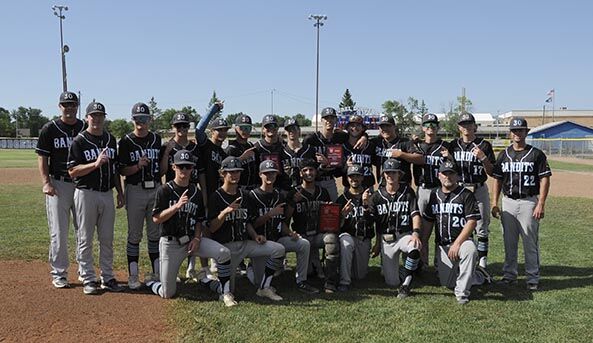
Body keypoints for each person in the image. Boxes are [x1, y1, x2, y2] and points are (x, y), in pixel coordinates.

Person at [146, 150, 236, 306]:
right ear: (173, 167)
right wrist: (176, 207)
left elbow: (199, 220)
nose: (185, 170)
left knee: (224, 253)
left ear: (192, 168)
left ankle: (223, 290)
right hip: (171, 243)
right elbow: (156, 218)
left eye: (188, 167)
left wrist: (196, 238)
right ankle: (150, 282)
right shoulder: (164, 190)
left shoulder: (196, 192)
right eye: (181, 166)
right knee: (168, 293)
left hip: (191, 241)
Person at [208, 156, 286, 302]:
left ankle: (264, 287)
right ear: (222, 173)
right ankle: (206, 281)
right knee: (227, 288)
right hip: (227, 248)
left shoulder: (245, 195)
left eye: (238, 171)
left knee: (279, 249)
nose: (235, 175)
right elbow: (212, 228)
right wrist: (224, 213)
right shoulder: (216, 196)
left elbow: (248, 222)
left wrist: (255, 236)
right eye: (231, 172)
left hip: (245, 244)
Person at [67, 101, 125, 295]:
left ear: (104, 118)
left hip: (107, 194)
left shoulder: (111, 140)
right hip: (86, 193)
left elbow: (115, 169)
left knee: (107, 239)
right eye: (93, 115)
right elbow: (73, 171)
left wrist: (120, 192)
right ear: (87, 118)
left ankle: (107, 277)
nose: (97, 119)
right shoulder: (79, 141)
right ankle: (88, 277)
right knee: (85, 238)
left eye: (100, 115)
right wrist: (95, 164)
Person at [492, 117, 551, 291]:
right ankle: (509, 275)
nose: (518, 133)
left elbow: (545, 179)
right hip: (508, 201)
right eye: (515, 130)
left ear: (526, 132)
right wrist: (495, 202)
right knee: (509, 242)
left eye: (521, 130)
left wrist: (541, 203)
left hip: (528, 201)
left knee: (529, 242)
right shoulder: (504, 154)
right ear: (511, 133)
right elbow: (497, 180)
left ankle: (532, 278)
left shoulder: (536, 154)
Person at [246, 160, 320, 294]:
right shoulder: (252, 196)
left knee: (303, 243)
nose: (270, 177)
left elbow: (281, 222)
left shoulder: (279, 196)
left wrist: (290, 233)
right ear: (260, 175)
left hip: (277, 240)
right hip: (259, 242)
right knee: (258, 282)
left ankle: (301, 281)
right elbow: (251, 224)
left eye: (273, 174)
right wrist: (269, 214)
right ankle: (251, 267)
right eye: (266, 174)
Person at [36, 91, 85, 288]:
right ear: (60, 107)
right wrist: (46, 182)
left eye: (73, 104)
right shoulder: (50, 129)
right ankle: (59, 273)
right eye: (66, 104)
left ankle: (84, 270)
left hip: (82, 184)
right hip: (59, 184)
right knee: (59, 231)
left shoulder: (85, 127)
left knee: (83, 231)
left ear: (77, 106)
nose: (70, 108)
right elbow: (42, 158)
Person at [423, 160, 488, 304]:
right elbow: (428, 222)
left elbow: (472, 222)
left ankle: (462, 294)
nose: (448, 177)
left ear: (457, 176)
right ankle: (476, 275)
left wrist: (457, 243)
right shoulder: (434, 195)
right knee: (447, 284)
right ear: (439, 175)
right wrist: (423, 243)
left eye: (451, 174)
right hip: (443, 246)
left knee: (470, 250)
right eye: (445, 174)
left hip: (463, 242)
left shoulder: (466, 194)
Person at [118, 102, 168, 289]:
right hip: (135, 189)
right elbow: (122, 170)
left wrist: (166, 154)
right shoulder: (126, 141)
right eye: (138, 119)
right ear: (133, 120)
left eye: (144, 119)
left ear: (149, 120)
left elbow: (162, 169)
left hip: (155, 188)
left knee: (155, 233)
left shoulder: (156, 139)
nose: (141, 122)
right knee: (135, 234)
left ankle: (156, 273)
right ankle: (133, 275)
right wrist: (137, 166)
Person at [161, 112, 209, 282]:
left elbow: (201, 173)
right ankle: (169, 267)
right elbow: (161, 171)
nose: (181, 129)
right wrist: (166, 153)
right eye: (178, 125)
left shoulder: (195, 147)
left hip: (192, 189)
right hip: (173, 191)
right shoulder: (168, 146)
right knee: (174, 228)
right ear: (173, 127)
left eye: (184, 125)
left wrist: (203, 194)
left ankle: (191, 267)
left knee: (193, 227)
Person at [446, 112, 495, 274]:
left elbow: (492, 172)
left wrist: (483, 158)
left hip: (478, 188)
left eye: (469, 124)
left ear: (475, 126)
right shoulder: (452, 145)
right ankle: (467, 260)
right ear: (459, 128)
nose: (466, 127)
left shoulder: (484, 145)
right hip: (459, 191)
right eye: (463, 124)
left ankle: (482, 263)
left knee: (481, 227)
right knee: (463, 226)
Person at [367, 159, 422, 298]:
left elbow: (415, 214)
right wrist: (378, 244)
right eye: (387, 172)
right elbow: (375, 224)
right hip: (387, 240)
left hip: (404, 235)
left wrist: (415, 233)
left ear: (399, 174)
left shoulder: (408, 191)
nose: (390, 175)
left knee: (414, 246)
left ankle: (406, 284)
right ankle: (407, 270)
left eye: (394, 172)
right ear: (383, 175)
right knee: (391, 282)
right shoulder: (376, 197)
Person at [285, 159, 339, 293]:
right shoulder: (294, 192)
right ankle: (313, 267)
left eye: (312, 170)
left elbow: (330, 217)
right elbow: (285, 219)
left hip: (319, 234)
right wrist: (292, 202)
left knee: (332, 239)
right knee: (309, 272)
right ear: (301, 173)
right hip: (302, 237)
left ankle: (330, 282)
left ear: (316, 172)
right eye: (305, 170)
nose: (309, 173)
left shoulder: (323, 191)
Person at [303, 107, 367, 201]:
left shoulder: (340, 137)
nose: (329, 121)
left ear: (336, 120)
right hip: (313, 181)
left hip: (330, 180)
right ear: (321, 120)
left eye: (332, 118)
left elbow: (356, 134)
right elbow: (304, 162)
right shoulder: (311, 139)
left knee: (333, 210)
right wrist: (321, 166)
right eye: (326, 118)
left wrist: (364, 137)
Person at [413, 113, 451, 267]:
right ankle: (422, 263)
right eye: (427, 125)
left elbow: (454, 167)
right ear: (423, 128)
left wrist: (450, 157)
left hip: (440, 190)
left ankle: (439, 264)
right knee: (421, 228)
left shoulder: (444, 146)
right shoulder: (416, 146)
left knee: (441, 227)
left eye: (434, 125)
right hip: (422, 190)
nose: (430, 128)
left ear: (438, 127)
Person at [336, 164, 374, 292]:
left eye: (357, 176)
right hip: (348, 236)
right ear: (347, 178)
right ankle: (344, 282)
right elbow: (336, 228)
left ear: (362, 177)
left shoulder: (371, 197)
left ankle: (345, 269)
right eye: (351, 176)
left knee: (359, 276)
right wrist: (342, 215)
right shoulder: (342, 199)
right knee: (346, 243)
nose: (354, 179)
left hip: (363, 238)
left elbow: (373, 221)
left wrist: (366, 206)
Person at [371, 115, 420, 186]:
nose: (385, 129)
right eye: (382, 127)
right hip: (383, 185)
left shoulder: (405, 142)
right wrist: (364, 137)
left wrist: (402, 154)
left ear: (394, 127)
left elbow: (419, 158)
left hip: (403, 185)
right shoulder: (376, 142)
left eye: (388, 126)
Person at [253, 115, 291, 192]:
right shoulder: (257, 147)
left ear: (277, 128)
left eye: (273, 126)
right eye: (268, 127)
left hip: (282, 187)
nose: (271, 129)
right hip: (262, 188)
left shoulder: (284, 146)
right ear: (263, 129)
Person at [342, 115, 376, 190]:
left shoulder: (370, 146)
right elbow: (338, 171)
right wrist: (345, 166)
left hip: (367, 185)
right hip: (349, 187)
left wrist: (365, 137)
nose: (355, 128)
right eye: (352, 125)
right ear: (347, 128)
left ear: (363, 128)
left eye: (358, 125)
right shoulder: (342, 147)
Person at [281, 118, 316, 190]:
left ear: (299, 130)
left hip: (306, 189)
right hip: (286, 190)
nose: (292, 131)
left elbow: (316, 171)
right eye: (289, 130)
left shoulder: (310, 150)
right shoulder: (281, 151)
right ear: (285, 132)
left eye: (294, 129)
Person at [225, 114, 259, 190]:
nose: (245, 131)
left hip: (253, 189)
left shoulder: (252, 147)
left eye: (248, 128)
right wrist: (240, 159)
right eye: (242, 128)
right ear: (235, 129)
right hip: (237, 189)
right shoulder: (231, 149)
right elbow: (223, 173)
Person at [200, 118, 229, 197]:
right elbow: (199, 130)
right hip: (203, 191)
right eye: (219, 130)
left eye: (225, 130)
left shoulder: (223, 154)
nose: (222, 133)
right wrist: (214, 109)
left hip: (218, 194)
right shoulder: (206, 144)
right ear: (212, 131)